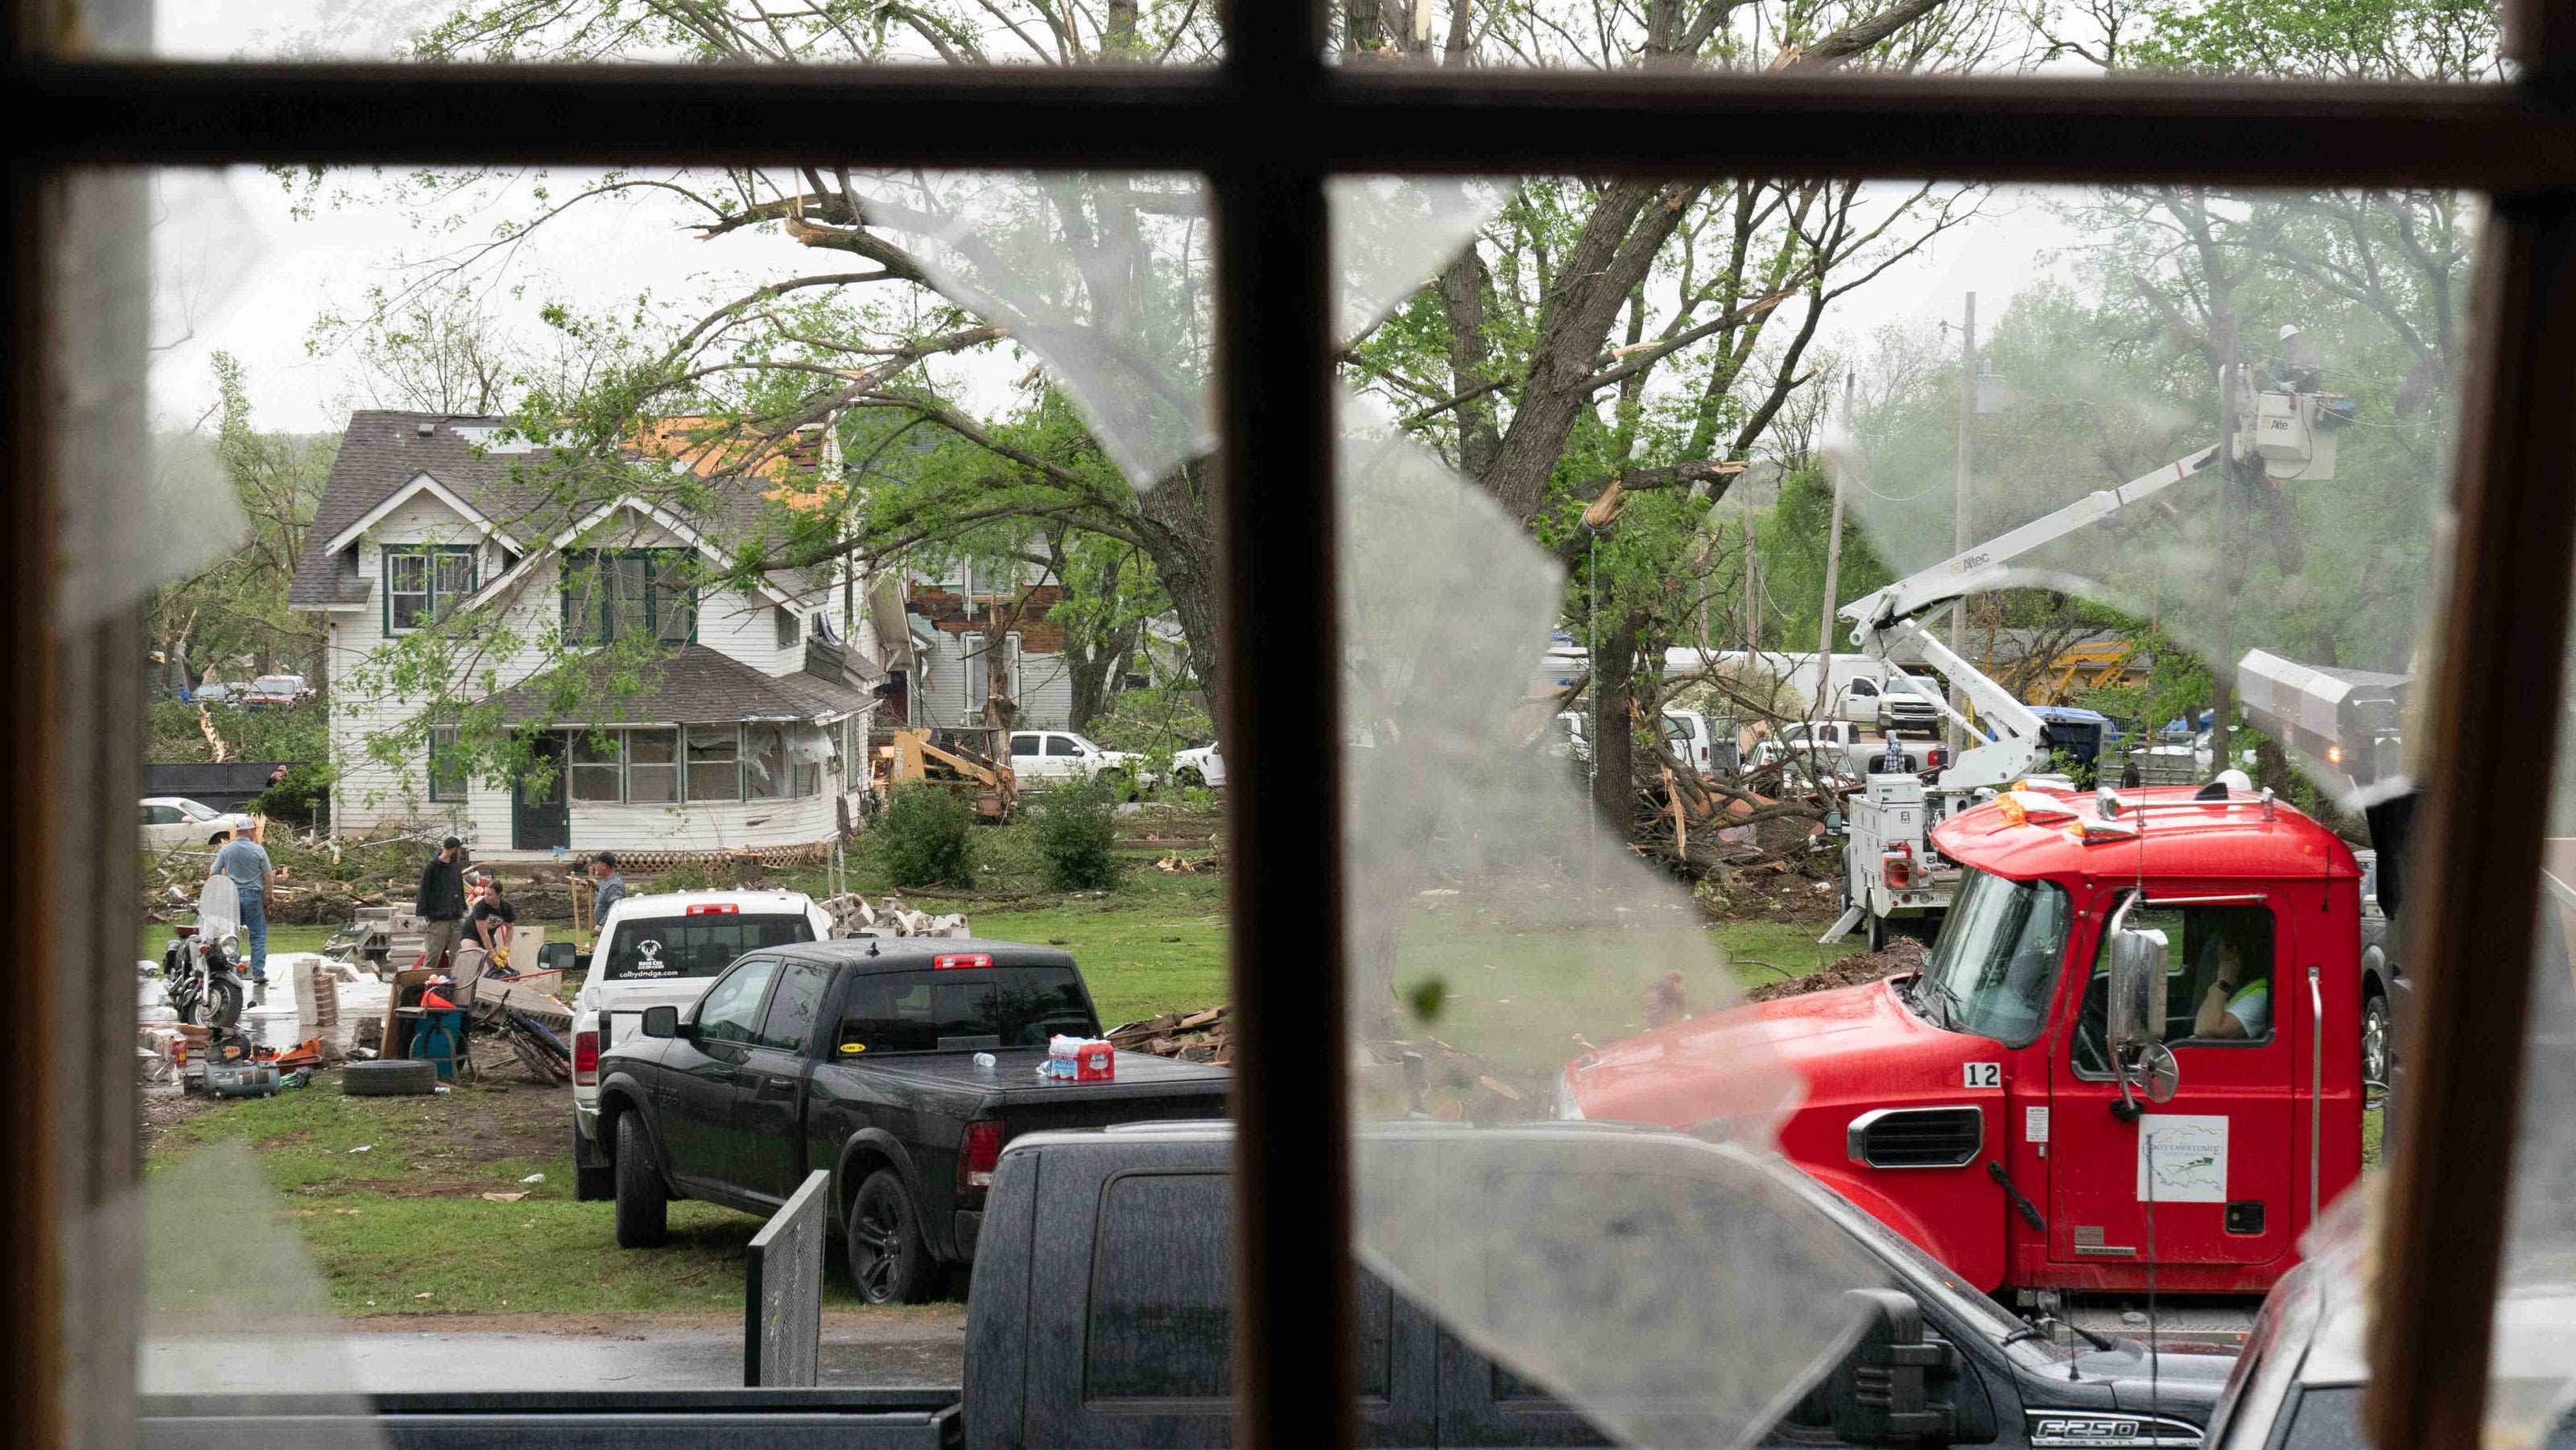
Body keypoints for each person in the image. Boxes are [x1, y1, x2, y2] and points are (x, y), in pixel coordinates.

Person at [207, 823, 274, 987]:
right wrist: (269, 895)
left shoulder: (226, 850)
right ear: (250, 830)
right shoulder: (258, 850)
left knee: (232, 935)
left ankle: (234, 971)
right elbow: (268, 875)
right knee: (258, 936)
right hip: (252, 896)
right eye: (254, 831)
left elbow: (213, 872)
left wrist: (216, 891)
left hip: (231, 897)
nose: (254, 834)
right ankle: (258, 973)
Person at [2192, 931, 2271, 1040]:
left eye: (2221, 945)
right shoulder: (2240, 985)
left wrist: (2224, 981)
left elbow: (2205, 1029)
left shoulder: (2259, 998)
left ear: (2234, 951)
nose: (2217, 950)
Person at [416, 836, 469, 974]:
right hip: (438, 919)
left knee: (457, 956)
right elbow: (423, 891)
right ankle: (425, 983)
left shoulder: (455, 867)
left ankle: (455, 984)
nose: (460, 853)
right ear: (454, 849)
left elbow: (459, 890)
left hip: (455, 918)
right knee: (433, 955)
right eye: (459, 850)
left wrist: (464, 909)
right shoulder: (432, 867)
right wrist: (420, 915)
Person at [467, 874, 518, 966]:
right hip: (471, 934)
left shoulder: (506, 907)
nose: (486, 896)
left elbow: (510, 929)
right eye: (485, 893)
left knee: (497, 966)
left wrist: (505, 948)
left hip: (489, 936)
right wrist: (493, 955)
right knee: (472, 961)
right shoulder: (480, 907)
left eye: (490, 894)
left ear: (499, 895)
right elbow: (483, 935)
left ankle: (495, 979)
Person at [588, 852, 629, 932]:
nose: (595, 866)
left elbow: (615, 907)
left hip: (611, 930)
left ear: (604, 865)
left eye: (597, 863)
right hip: (607, 929)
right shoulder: (608, 881)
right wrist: (596, 886)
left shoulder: (614, 885)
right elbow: (607, 894)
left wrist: (601, 925)